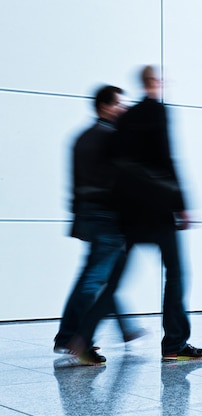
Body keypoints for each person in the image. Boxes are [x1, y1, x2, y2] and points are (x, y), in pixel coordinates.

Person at [72, 66, 202, 362]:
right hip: (159, 209)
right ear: (154, 82)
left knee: (116, 280)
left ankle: (84, 336)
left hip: (131, 214)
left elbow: (116, 165)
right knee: (176, 274)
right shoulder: (157, 112)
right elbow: (167, 157)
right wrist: (181, 203)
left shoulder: (126, 118)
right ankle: (174, 343)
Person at [54, 85, 145, 365]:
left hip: (90, 216)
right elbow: (120, 182)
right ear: (105, 106)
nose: (122, 108)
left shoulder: (81, 138)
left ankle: (119, 329)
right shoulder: (110, 138)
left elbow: (76, 184)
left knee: (101, 276)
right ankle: (73, 337)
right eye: (118, 103)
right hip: (108, 218)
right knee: (95, 279)